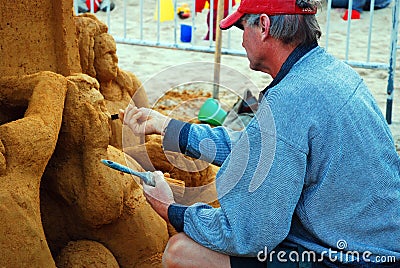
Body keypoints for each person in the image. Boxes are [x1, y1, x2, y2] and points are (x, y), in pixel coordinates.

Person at [120, 0, 400, 266]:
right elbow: (257, 147)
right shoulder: (330, 70)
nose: (241, 40)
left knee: (181, 252)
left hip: (355, 257)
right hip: (378, 239)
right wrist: (169, 128)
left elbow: (249, 235)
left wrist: (171, 209)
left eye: (243, 28)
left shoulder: (289, 100)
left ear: (264, 26)